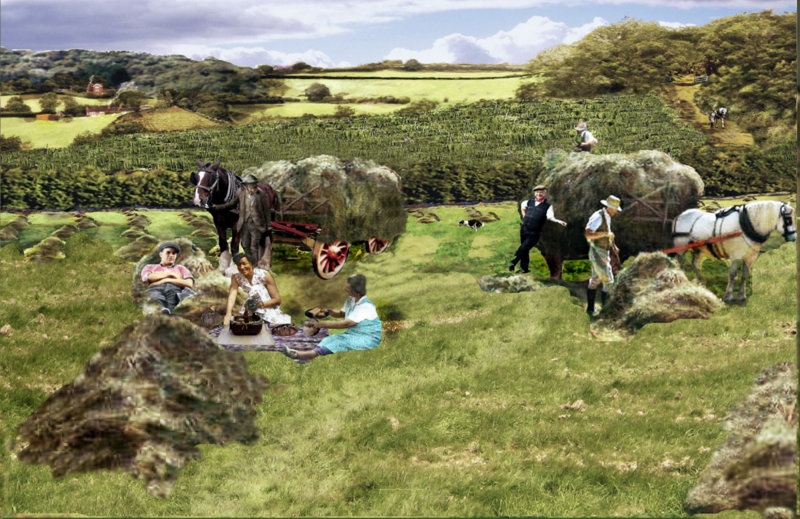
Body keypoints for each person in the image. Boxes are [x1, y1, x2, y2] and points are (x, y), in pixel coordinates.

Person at [280, 273, 381, 362]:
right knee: (331, 338)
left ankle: (302, 355)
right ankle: (308, 357)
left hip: (368, 338)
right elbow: (341, 313)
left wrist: (320, 324)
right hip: (353, 335)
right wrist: (329, 311)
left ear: (356, 290)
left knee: (340, 342)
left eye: (348, 288)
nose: (345, 289)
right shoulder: (351, 299)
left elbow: (345, 324)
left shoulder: (365, 306)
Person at [213, 174, 272, 268]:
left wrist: (268, 225)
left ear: (254, 184)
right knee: (245, 245)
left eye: (252, 185)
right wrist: (218, 208)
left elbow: (266, 211)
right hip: (244, 224)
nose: (250, 187)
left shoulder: (261, 194)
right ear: (246, 185)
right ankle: (251, 262)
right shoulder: (241, 193)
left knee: (254, 246)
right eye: (247, 185)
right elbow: (231, 204)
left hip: (257, 225)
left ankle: (254, 266)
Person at [509, 184, 567, 274]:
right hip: (524, 229)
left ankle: (514, 261)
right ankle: (524, 268)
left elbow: (550, 217)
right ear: (535, 193)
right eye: (537, 192)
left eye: (541, 192)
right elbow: (522, 207)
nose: (539, 193)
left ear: (545, 193)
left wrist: (559, 221)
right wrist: (524, 216)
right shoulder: (528, 202)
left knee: (524, 247)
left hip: (535, 231)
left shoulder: (547, 206)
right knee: (525, 250)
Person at [223, 252, 292, 327]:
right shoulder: (236, 277)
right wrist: (228, 313)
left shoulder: (264, 274)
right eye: (239, 265)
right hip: (250, 310)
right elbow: (232, 294)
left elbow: (277, 300)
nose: (242, 267)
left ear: (251, 263)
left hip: (267, 309)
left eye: (244, 263)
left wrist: (258, 305)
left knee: (257, 288)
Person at [584, 195, 622, 317]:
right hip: (597, 252)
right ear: (610, 207)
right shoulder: (598, 217)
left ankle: (590, 309)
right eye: (616, 209)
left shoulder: (607, 217)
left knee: (595, 280)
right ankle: (606, 313)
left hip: (604, 251)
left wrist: (613, 245)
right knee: (609, 281)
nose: (616, 212)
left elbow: (608, 234)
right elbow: (588, 234)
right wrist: (606, 234)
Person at [141, 242, 196, 314]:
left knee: (173, 301)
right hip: (155, 289)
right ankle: (162, 310)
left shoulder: (181, 268)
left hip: (175, 289)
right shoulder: (150, 267)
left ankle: (168, 313)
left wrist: (167, 279)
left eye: (174, 253)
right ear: (161, 254)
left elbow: (189, 283)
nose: (171, 255)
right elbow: (148, 277)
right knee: (155, 297)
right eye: (168, 252)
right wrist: (171, 274)